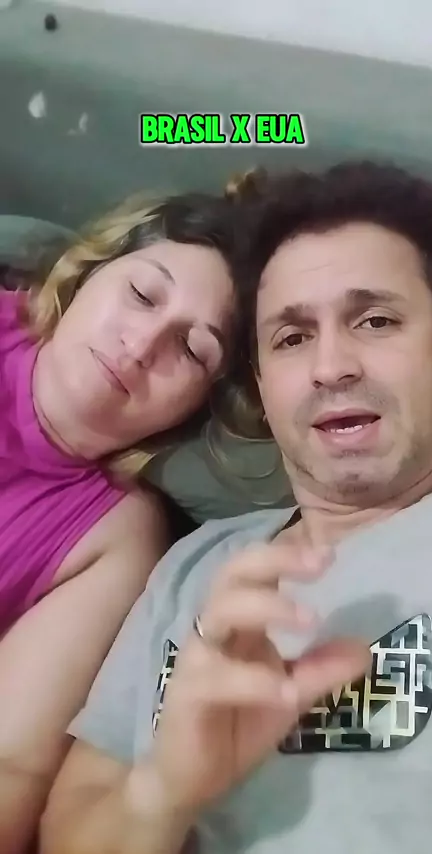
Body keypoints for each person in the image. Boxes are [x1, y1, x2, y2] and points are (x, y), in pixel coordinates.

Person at [40, 161, 432, 854]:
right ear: (263, 386)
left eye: (375, 320)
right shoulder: (191, 566)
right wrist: (164, 791)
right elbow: (69, 831)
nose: (331, 367)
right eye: (292, 338)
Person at [0, 188, 238, 852]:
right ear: (86, 271)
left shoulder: (114, 539)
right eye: (142, 295)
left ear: (197, 408)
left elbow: (11, 765)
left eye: (193, 350)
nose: (143, 345)